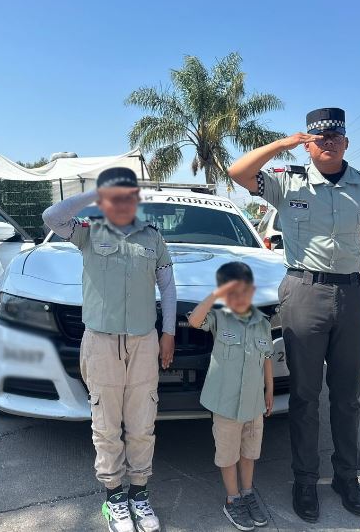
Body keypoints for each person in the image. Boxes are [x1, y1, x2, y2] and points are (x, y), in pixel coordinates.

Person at [228, 107, 360, 522]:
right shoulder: (287, 182)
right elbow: (237, 172)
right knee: (303, 395)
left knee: (348, 395)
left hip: (352, 294)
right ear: (308, 142)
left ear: (346, 142)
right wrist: (283, 144)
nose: (328, 142)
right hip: (304, 290)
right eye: (319, 137)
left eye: (336, 136)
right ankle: (304, 480)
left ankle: (347, 477)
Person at [42, 167, 176, 532]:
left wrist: (168, 334)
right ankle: (113, 496)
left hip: (144, 342)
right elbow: (51, 217)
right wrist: (94, 195)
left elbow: (167, 287)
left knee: (142, 422)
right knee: (105, 424)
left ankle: (139, 492)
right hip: (101, 342)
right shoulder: (88, 232)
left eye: (127, 193)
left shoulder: (153, 238)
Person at [188, 262, 274, 531]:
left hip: (253, 403)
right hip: (225, 404)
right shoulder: (218, 317)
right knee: (228, 454)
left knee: (249, 452)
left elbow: (267, 359)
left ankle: (248, 493)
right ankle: (232, 499)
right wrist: (216, 295)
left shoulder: (263, 323)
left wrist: (269, 390)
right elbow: (194, 320)